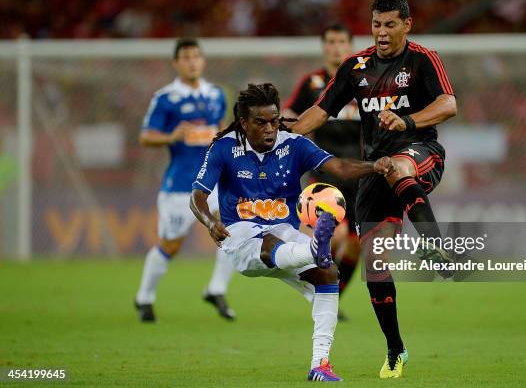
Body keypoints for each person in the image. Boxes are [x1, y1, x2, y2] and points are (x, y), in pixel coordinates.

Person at [289, 0, 457, 379]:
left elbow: (449, 105)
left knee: (399, 166)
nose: (381, 32)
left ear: (406, 25)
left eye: (390, 25)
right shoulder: (355, 67)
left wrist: (408, 121)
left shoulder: (422, 59)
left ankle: (433, 245)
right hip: (374, 171)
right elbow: (319, 112)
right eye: (376, 24)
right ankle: (396, 348)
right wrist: (287, 135)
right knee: (376, 267)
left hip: (421, 152)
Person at [190, 83, 395, 381]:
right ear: (244, 122)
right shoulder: (223, 148)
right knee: (270, 242)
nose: (270, 129)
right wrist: (210, 222)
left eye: (274, 121)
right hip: (241, 237)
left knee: (328, 275)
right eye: (260, 123)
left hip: (285, 235)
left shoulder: (293, 145)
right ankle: (314, 249)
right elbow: (197, 195)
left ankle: (320, 364)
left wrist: (373, 166)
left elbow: (337, 167)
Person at [134, 38, 236, 322]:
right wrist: (171, 136)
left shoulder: (216, 94)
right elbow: (145, 136)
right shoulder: (165, 98)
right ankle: (144, 297)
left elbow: (219, 131)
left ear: (203, 61)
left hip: (214, 181)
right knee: (171, 245)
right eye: (186, 57)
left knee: (231, 230)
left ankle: (216, 289)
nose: (192, 61)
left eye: (196, 56)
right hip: (181, 185)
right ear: (176, 63)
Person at [283, 24, 360, 321]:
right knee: (336, 234)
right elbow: (292, 113)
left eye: (342, 41)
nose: (336, 47)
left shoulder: (364, 81)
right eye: (331, 41)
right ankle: (323, 294)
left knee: (355, 245)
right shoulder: (313, 83)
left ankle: (328, 296)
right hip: (325, 172)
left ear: (351, 45)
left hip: (360, 174)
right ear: (324, 46)